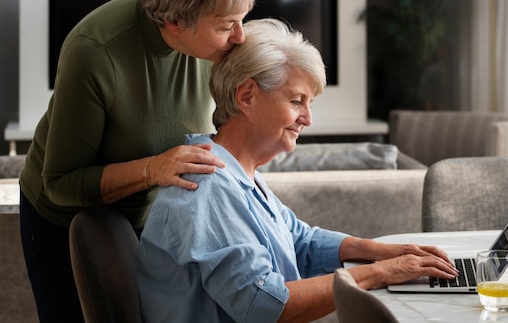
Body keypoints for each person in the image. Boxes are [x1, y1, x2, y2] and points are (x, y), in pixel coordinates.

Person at [136, 18, 458, 323]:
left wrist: (380, 251)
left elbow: (301, 241)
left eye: (309, 104)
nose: (308, 118)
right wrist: (380, 273)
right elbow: (265, 306)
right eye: (296, 101)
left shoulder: (238, 173)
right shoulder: (206, 186)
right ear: (247, 96)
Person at [18, 0, 259, 323]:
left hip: (152, 216)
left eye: (242, 20)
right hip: (64, 220)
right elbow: (60, 183)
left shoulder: (214, 43)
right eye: (227, 25)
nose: (240, 37)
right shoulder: (95, 51)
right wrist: (152, 168)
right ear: (176, 21)